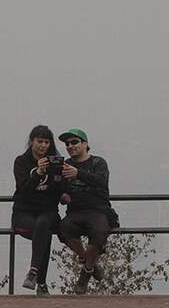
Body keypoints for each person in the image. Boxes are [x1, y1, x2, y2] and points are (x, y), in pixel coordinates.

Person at [58, 128, 112, 294]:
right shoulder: (65, 164)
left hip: (98, 210)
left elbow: (101, 181)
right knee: (62, 229)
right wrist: (63, 195)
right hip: (75, 212)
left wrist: (78, 173)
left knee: (99, 232)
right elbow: (62, 188)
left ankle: (86, 272)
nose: (70, 146)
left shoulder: (98, 163)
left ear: (85, 144)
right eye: (67, 144)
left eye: (75, 142)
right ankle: (89, 262)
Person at [12, 124, 63, 295]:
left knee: (43, 223)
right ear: (31, 142)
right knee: (44, 231)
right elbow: (24, 189)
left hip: (49, 212)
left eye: (47, 142)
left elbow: (58, 191)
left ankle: (33, 273)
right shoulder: (21, 162)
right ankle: (41, 282)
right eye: (40, 141)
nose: (43, 146)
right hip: (24, 214)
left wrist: (61, 181)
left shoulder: (55, 161)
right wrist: (38, 172)